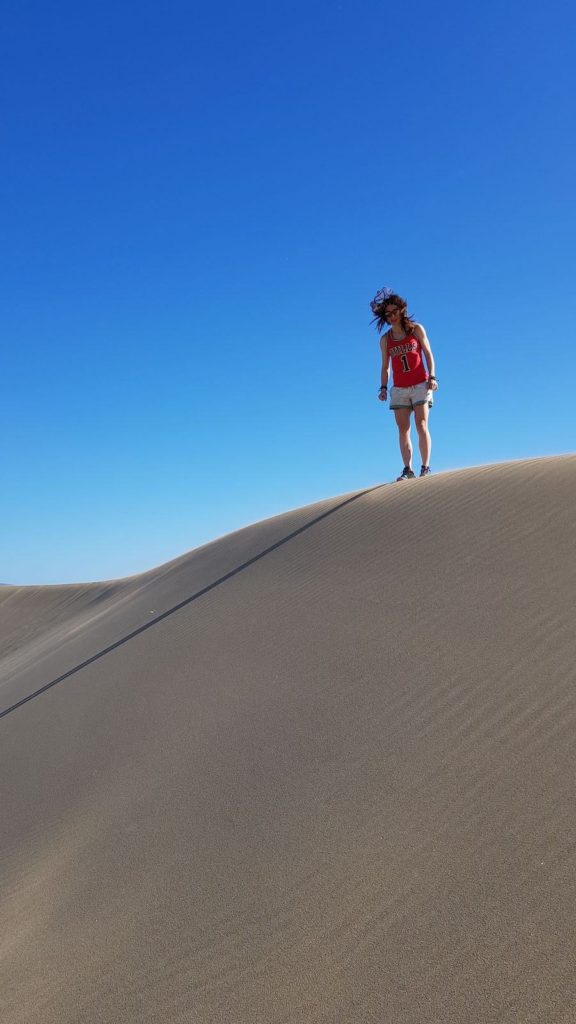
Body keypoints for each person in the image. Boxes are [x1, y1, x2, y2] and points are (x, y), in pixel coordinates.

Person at [371, 287, 438, 480]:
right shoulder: (385, 340)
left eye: (394, 312)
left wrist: (432, 377)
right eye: (388, 314)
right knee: (403, 429)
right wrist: (383, 387)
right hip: (399, 388)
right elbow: (385, 366)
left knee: (422, 424)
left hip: (420, 384)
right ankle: (407, 469)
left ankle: (425, 467)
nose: (392, 316)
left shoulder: (416, 329)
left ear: (402, 310)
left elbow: (428, 353)